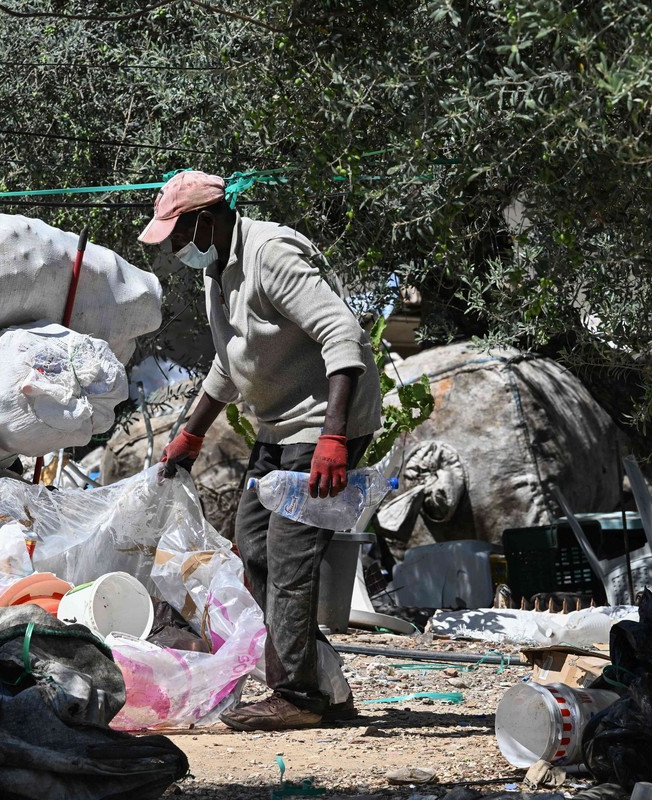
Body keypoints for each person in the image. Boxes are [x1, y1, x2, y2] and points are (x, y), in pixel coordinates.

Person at [138, 170, 382, 731]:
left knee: (289, 553)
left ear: (205, 220)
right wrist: (191, 433)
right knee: (253, 546)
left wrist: (334, 438)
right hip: (279, 427)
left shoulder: (271, 254)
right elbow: (231, 362)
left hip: (322, 424)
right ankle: (324, 683)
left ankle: (298, 695)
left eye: (178, 235)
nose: (176, 250)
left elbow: (342, 334)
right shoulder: (219, 271)